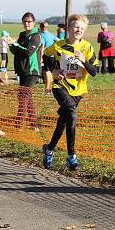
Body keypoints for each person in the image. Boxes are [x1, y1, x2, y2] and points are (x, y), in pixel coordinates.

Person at [42, 14, 98, 171]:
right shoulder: (58, 45)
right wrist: (53, 69)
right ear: (68, 28)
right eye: (75, 27)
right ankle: (71, 157)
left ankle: (49, 149)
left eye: (81, 28)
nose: (78, 30)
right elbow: (45, 56)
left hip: (78, 90)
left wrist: (83, 61)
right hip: (60, 86)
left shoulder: (87, 47)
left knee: (64, 121)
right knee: (72, 115)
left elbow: (94, 72)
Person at [5, 12, 41, 129]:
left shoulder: (36, 36)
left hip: (32, 71)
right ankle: (33, 124)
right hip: (22, 70)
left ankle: (18, 123)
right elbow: (16, 51)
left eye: (29, 21)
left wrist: (15, 44)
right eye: (25, 21)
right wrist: (10, 45)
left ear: (34, 22)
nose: (27, 23)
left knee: (22, 96)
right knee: (27, 97)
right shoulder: (22, 35)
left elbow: (28, 52)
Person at [39, 21, 57, 92]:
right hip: (53, 56)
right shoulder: (51, 35)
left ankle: (47, 90)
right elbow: (59, 41)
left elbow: (42, 47)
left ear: (41, 27)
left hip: (46, 56)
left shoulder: (42, 35)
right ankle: (49, 89)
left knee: (47, 73)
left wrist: (40, 58)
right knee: (50, 72)